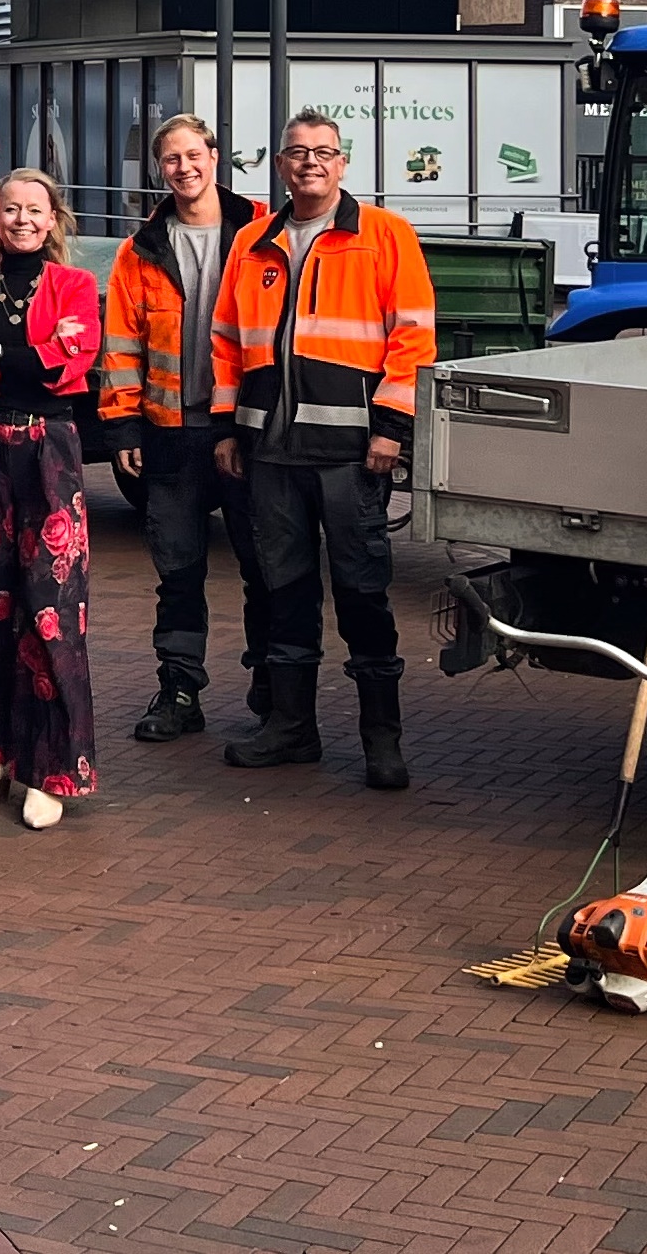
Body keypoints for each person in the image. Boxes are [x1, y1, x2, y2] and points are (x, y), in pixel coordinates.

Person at [212, 110, 437, 792]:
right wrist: (227, 427)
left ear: (342, 164)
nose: (309, 162)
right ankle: (289, 727)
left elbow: (414, 338)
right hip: (270, 452)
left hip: (348, 453)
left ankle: (380, 738)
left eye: (323, 152)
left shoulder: (384, 236)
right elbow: (225, 340)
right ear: (279, 165)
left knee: (363, 592)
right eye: (297, 152)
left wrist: (390, 429)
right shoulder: (254, 240)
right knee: (283, 592)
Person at [0, 169, 103, 828]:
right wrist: (15, 355)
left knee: (52, 609)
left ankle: (49, 767)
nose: (22, 219)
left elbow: (70, 362)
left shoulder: (77, 286)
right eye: (10, 208)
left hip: (51, 453)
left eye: (34, 209)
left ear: (53, 217)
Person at [98, 112, 261, 742]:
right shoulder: (141, 247)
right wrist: (122, 430)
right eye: (171, 159)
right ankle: (180, 690)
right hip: (171, 433)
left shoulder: (259, 229)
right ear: (160, 168)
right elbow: (121, 345)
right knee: (178, 572)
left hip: (248, 431)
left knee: (265, 566)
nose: (183, 169)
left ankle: (271, 686)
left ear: (215, 157)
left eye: (194, 155)